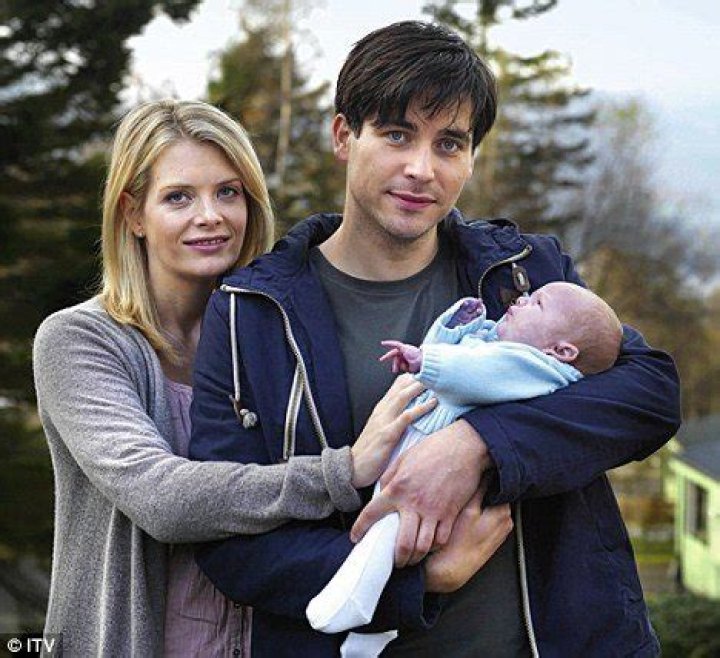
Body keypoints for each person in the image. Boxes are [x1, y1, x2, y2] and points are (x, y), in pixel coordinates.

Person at [189, 21, 680, 658]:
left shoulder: (522, 274)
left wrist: (475, 445)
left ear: (470, 158)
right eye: (397, 134)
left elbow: (648, 394)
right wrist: (412, 582)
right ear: (344, 136)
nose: (421, 169)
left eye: (449, 143)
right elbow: (228, 540)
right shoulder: (250, 310)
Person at [31, 99, 438, 657]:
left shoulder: (272, 334)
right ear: (133, 214)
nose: (211, 216)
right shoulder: (79, 341)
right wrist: (343, 470)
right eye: (178, 197)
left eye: (228, 192)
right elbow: (160, 498)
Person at [307, 282, 623, 655]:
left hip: (433, 473)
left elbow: (476, 373)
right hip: (418, 451)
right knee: (387, 532)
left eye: (537, 303)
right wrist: (456, 326)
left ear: (562, 350)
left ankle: (351, 601)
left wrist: (424, 360)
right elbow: (457, 354)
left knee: (387, 533)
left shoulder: (538, 368)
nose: (521, 299)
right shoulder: (506, 346)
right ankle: (372, 633)